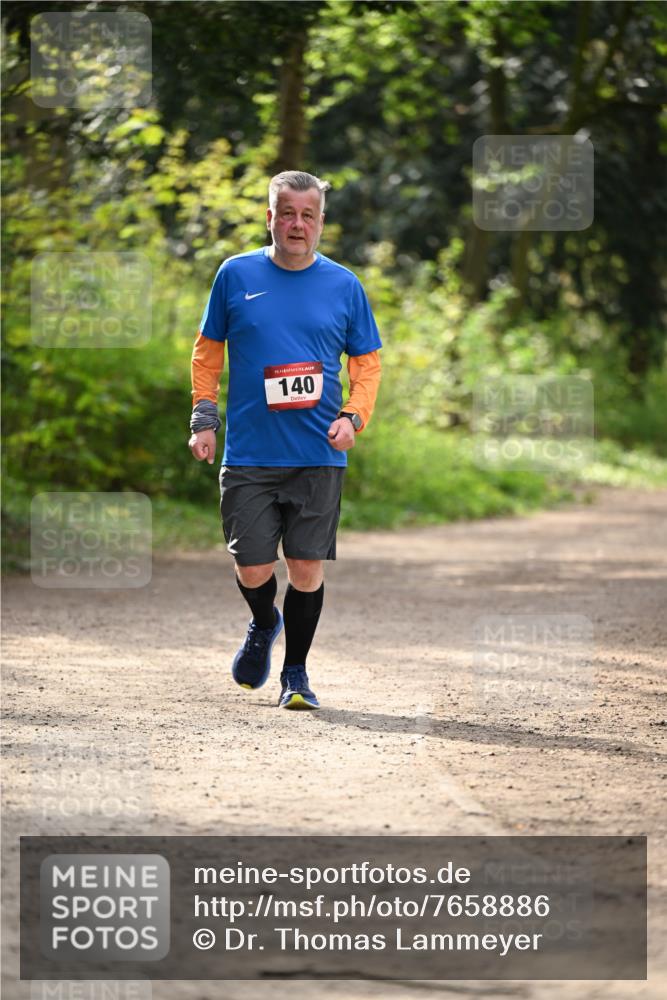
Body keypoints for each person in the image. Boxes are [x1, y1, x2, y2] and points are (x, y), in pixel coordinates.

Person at [188, 170, 382, 710]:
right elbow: (207, 352)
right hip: (249, 452)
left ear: (321, 222)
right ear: (270, 217)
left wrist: (353, 417)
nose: (298, 225)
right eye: (288, 213)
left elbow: (367, 365)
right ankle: (263, 620)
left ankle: (295, 674)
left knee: (304, 567)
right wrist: (204, 416)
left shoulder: (344, 285)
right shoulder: (235, 274)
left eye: (309, 215)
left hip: (318, 453)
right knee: (252, 566)